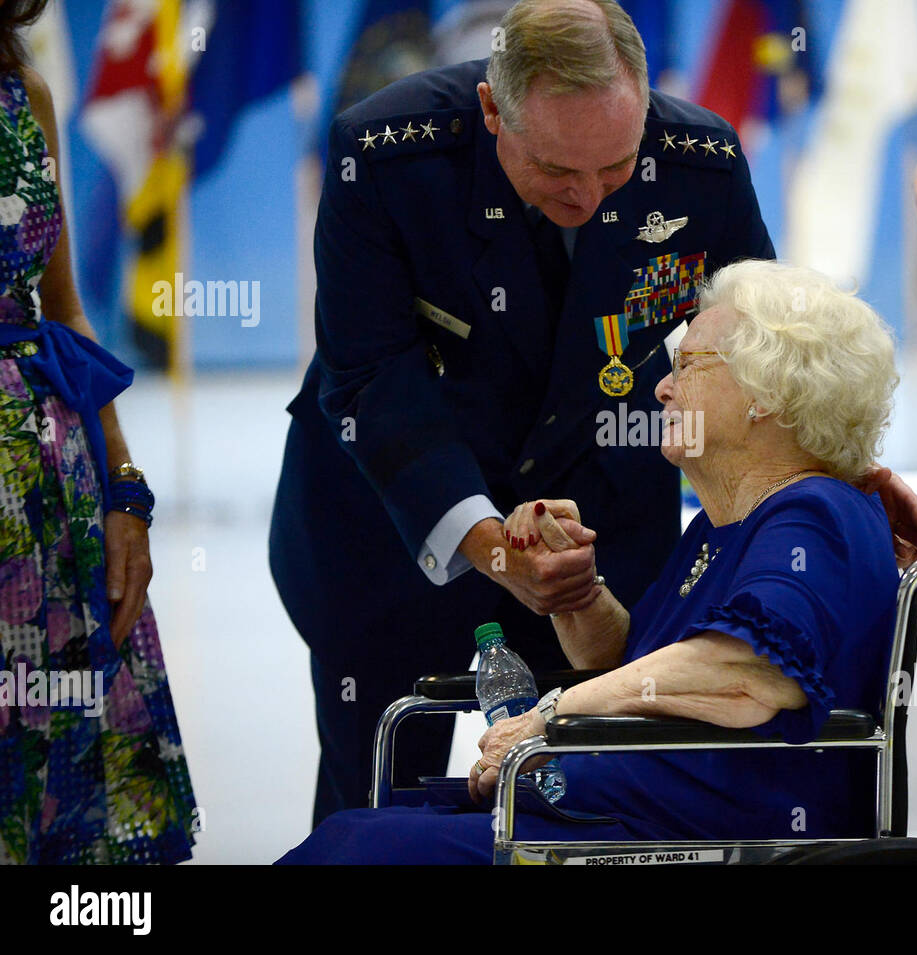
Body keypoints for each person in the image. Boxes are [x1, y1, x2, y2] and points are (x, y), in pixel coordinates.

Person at [268, 0, 778, 827]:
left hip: (598, 541)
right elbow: (370, 377)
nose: (587, 195)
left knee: (589, 804)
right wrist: (491, 547)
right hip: (394, 530)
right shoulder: (385, 158)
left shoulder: (703, 163)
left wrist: (834, 467)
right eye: (555, 170)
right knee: (376, 803)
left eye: (614, 168)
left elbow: (761, 348)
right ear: (492, 110)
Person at [277, 259, 900, 863]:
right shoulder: (726, 522)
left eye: (686, 365)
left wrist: (549, 716)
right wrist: (579, 586)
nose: (660, 386)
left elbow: (751, 674)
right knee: (354, 835)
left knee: (352, 848)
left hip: (685, 835)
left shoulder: (813, 516)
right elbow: (630, 667)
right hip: (620, 816)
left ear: (767, 393)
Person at [0, 0, 196, 863]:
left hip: (50, 502)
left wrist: (124, 489)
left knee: (58, 792)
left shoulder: (22, 94)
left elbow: (62, 305)